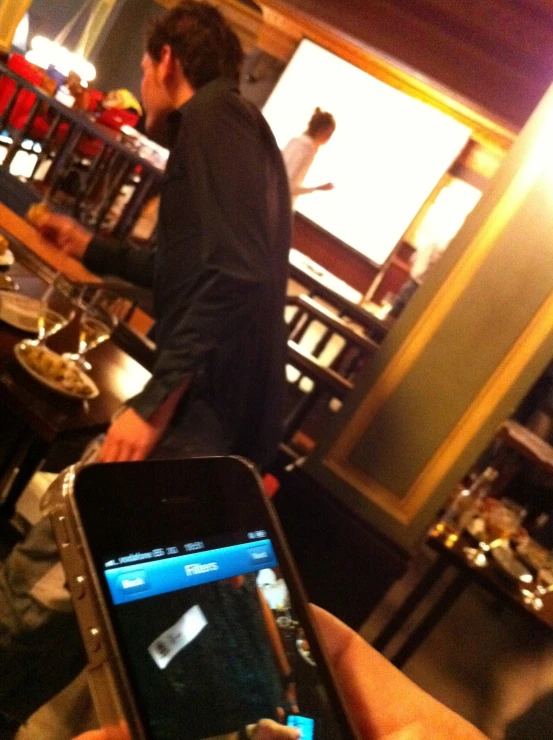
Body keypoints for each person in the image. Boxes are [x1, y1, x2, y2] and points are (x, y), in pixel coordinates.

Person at [0, 0, 291, 730]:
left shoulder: (216, 124)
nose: (142, 79)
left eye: (143, 66)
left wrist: (155, 399)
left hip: (193, 423)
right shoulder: (240, 131)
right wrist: (89, 244)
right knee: (84, 596)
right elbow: (186, 266)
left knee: (49, 578)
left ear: (167, 61)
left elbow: (235, 272)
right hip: (216, 429)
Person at [72, 606, 488, 740]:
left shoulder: (244, 591)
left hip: (264, 694)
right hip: (216, 703)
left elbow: (262, 616)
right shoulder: (194, 606)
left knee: (298, 728)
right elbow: (162, 651)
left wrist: (287, 681)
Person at [281, 108, 336, 208]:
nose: (329, 138)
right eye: (329, 134)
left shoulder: (296, 142)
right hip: (278, 205)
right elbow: (287, 185)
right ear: (323, 131)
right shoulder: (305, 149)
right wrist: (315, 188)